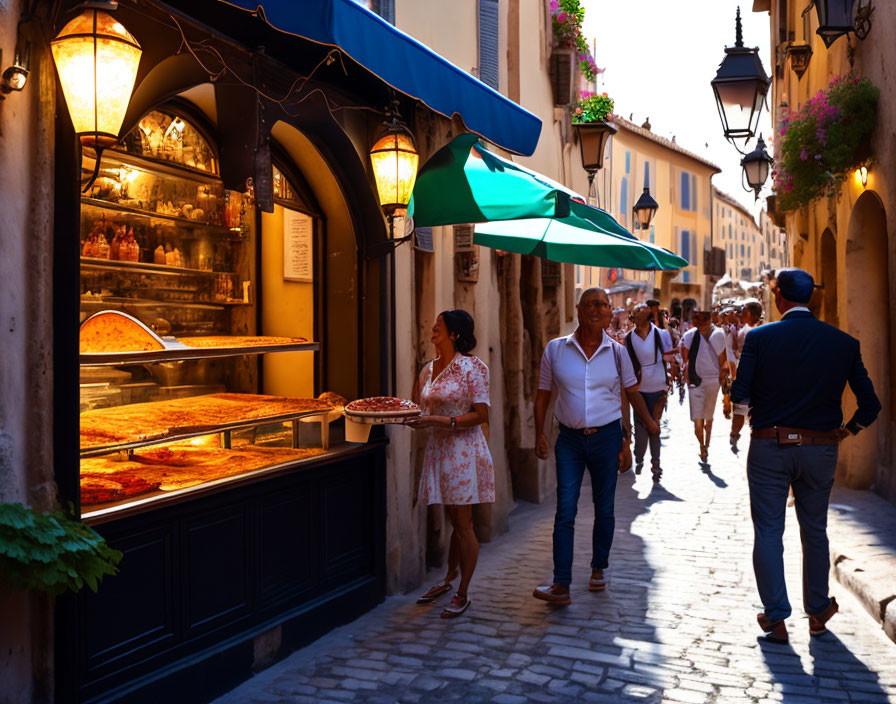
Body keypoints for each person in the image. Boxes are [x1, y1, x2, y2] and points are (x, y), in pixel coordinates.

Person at [731, 268, 881, 644]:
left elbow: (740, 394)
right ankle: (817, 612)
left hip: (770, 446)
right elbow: (871, 404)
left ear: (779, 297)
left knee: (768, 530)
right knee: (815, 530)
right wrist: (848, 431)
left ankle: (777, 619)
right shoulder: (843, 343)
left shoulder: (759, 338)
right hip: (821, 447)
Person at [532, 288, 660, 606]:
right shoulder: (556, 349)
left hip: (606, 437)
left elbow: (632, 393)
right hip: (570, 441)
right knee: (565, 510)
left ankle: (598, 568)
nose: (597, 309)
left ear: (609, 313)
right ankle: (561, 583)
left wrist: (643, 428)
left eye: (603, 305)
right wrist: (539, 433)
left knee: (605, 508)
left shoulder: (618, 352)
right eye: (590, 304)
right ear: (578, 309)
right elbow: (543, 394)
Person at [410, 309, 494, 618]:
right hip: (439, 450)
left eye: (439, 326)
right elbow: (417, 407)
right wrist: (407, 417)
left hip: (463, 451)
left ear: (454, 334)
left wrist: (440, 420)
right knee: (453, 522)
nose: (432, 329)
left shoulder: (473, 368)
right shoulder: (427, 370)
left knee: (463, 524)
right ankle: (448, 579)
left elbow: (482, 414)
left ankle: (463, 591)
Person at [624, 303, 674, 481]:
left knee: (655, 426)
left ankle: (655, 465)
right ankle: (639, 457)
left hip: (658, 385)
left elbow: (669, 356)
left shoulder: (661, 334)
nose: (636, 311)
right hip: (639, 389)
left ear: (647, 317)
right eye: (635, 310)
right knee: (641, 427)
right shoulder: (628, 338)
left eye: (640, 310)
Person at [680, 308, 729, 462]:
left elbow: (723, 360)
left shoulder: (718, 334)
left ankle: (705, 444)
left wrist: (724, 381)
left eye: (702, 320)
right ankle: (702, 444)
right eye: (697, 320)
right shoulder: (689, 336)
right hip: (696, 381)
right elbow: (684, 357)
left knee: (708, 417)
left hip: (712, 381)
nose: (699, 323)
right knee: (697, 420)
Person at [729, 299, 763, 451]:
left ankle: (735, 435)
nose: (740, 313)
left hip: (748, 376)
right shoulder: (748, 329)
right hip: (750, 376)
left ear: (750, 313)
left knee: (740, 410)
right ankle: (735, 435)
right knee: (741, 411)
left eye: (744, 311)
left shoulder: (753, 330)